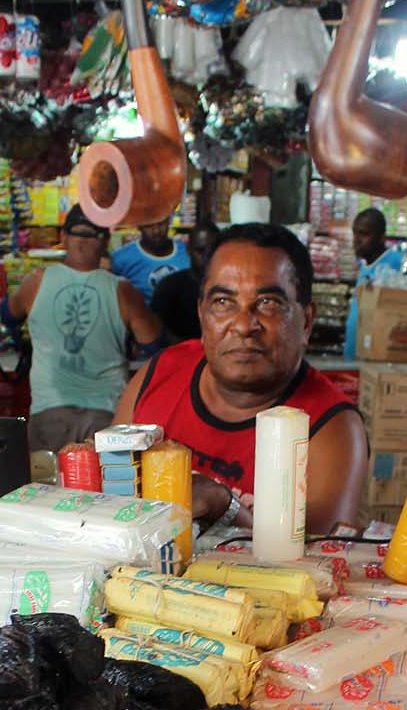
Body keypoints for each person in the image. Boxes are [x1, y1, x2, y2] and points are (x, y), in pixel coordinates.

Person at [112, 222, 368, 535]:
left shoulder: (332, 428)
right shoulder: (159, 374)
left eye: (268, 303)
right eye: (223, 302)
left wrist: (225, 506)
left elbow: (317, 559)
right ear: (202, 315)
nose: (244, 325)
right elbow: (108, 508)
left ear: (306, 322)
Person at [0, 204, 164, 451]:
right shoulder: (123, 291)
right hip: (106, 418)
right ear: (105, 241)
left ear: (63, 237)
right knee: (104, 478)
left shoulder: (36, 282)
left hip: (50, 413)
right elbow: (153, 343)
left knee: (47, 477)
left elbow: (7, 315)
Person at [343, 207, 405, 360]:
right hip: (354, 358)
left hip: (379, 361)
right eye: (355, 233)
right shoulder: (364, 265)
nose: (356, 240)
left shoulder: (398, 263)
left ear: (382, 237)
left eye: (363, 234)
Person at [150, 221, 220, 342]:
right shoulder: (169, 286)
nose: (206, 257)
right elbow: (156, 328)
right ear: (188, 250)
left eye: (212, 251)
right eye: (200, 251)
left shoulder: (232, 285)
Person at [109, 216, 191, 300]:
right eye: (148, 225)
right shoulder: (120, 259)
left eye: (161, 223)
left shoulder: (188, 251)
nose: (156, 231)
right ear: (139, 226)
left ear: (168, 221)